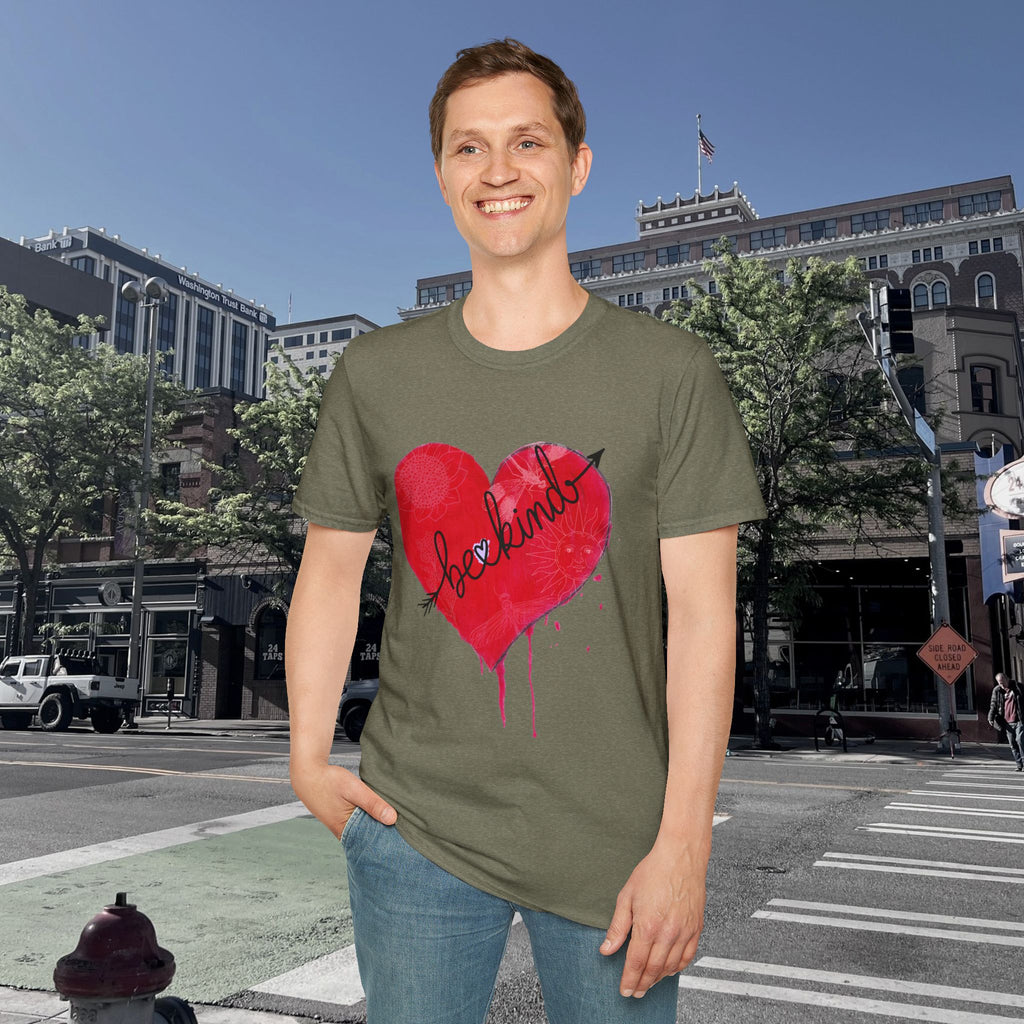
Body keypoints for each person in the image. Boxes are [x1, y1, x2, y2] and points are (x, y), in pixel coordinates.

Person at [286, 37, 766, 1023]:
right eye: (469, 148)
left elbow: (703, 620)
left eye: (526, 142)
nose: (497, 171)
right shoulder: (374, 375)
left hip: (618, 840)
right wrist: (303, 756)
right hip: (414, 827)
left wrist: (684, 842)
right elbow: (330, 574)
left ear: (576, 165)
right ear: (440, 174)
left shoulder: (671, 373)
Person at [988, 672, 1024, 770]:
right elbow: (993, 705)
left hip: (1019, 719)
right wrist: (990, 718)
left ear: (1007, 679)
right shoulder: (997, 691)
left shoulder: (1018, 687)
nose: (1002, 685)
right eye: (999, 683)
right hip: (1007, 721)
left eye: (1003, 682)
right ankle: (1019, 764)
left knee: (1020, 740)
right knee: (1012, 744)